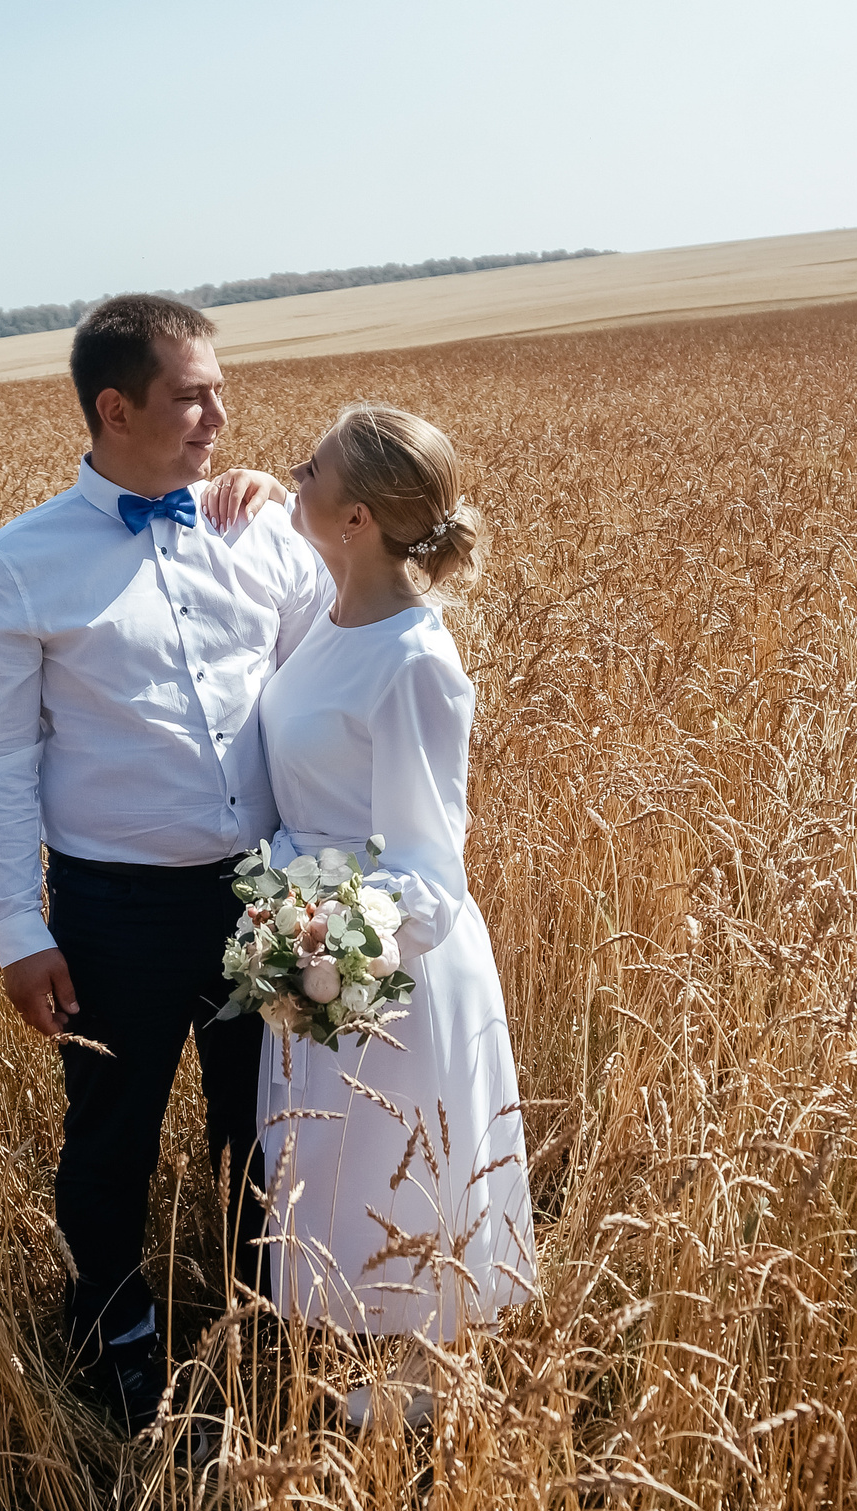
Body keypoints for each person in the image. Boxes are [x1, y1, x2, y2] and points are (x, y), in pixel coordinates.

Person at [0, 294, 331, 1433]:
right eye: (192, 395)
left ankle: (265, 1332)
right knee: (110, 1138)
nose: (220, 414)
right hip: (115, 910)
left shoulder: (258, 529)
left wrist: (296, 501)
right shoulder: (18, 566)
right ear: (116, 408)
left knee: (263, 1129)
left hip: (262, 891)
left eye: (220, 386)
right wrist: (19, 930)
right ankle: (116, 1348)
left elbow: (334, 674)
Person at [246, 403, 538, 1426]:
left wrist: (318, 940)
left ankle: (416, 1459)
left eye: (310, 465)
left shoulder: (415, 659)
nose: (292, 468)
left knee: (397, 1205)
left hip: (383, 974)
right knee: (330, 1195)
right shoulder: (327, 619)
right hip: (312, 953)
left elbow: (428, 864)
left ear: (356, 514)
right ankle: (352, 1429)